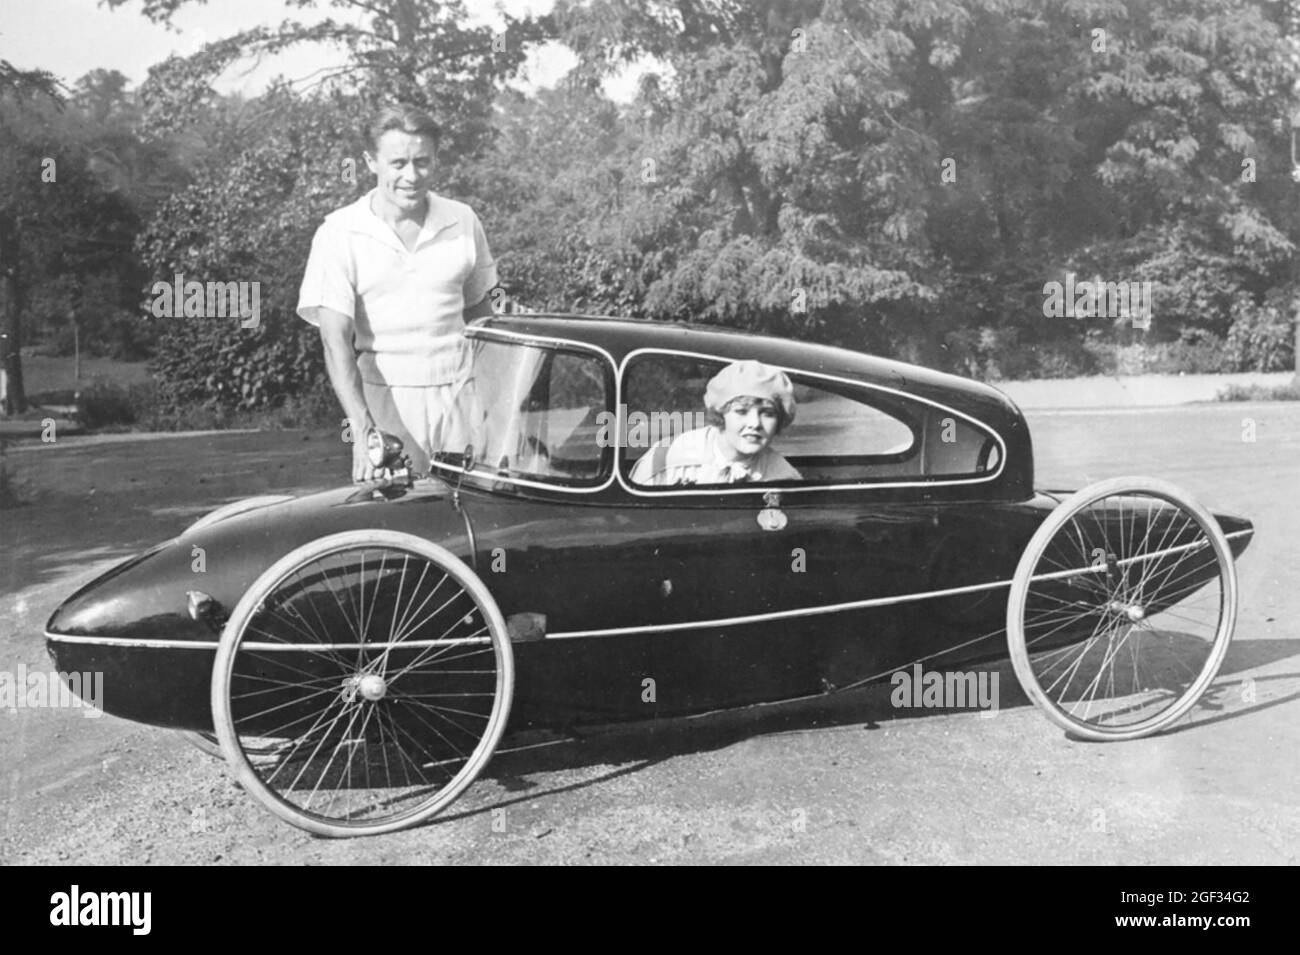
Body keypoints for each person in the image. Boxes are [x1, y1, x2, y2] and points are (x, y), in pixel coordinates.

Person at [297, 105, 498, 480]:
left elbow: (483, 321)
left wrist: (494, 404)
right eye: (398, 163)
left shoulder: (463, 220)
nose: (411, 176)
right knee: (395, 523)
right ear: (371, 162)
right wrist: (362, 429)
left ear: (436, 161)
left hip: (461, 397)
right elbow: (335, 341)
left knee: (471, 520)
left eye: (422, 162)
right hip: (385, 401)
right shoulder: (339, 233)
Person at [630, 360, 802, 486]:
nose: (755, 423)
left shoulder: (783, 477)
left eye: (768, 414)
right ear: (721, 414)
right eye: (741, 411)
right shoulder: (670, 459)